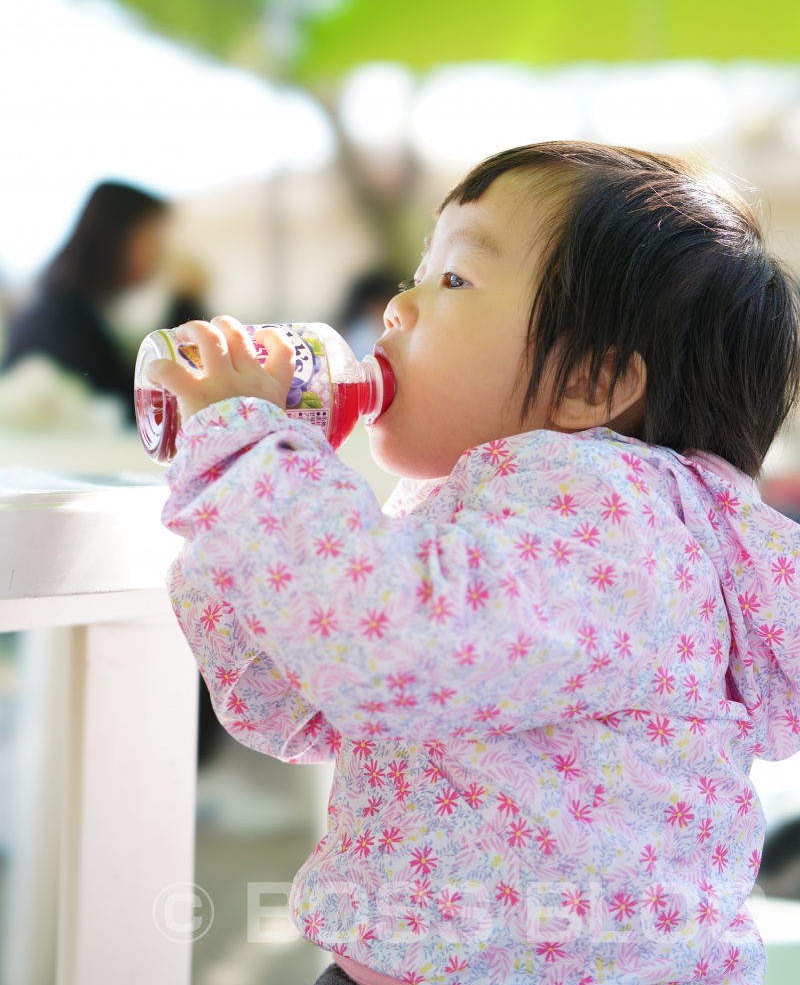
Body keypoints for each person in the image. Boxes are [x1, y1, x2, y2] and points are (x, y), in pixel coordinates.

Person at [149, 142, 800, 985]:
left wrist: (249, 459)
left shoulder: (611, 521)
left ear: (591, 386)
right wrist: (240, 506)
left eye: (453, 280)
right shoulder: (493, 518)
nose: (398, 307)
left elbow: (380, 652)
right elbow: (294, 705)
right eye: (418, 272)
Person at [3, 180, 198, 423]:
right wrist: (186, 302)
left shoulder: (73, 306)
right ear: (119, 237)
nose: (161, 254)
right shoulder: (64, 321)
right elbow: (140, 408)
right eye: (154, 237)